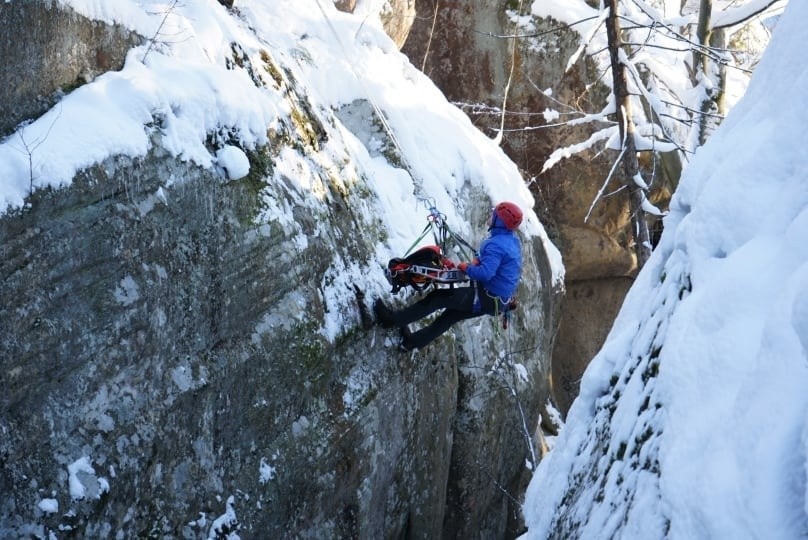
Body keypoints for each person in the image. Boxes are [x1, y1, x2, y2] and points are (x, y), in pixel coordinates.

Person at [374, 201, 524, 351]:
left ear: (500, 221)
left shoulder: (497, 244)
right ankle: (412, 343)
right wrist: (479, 260)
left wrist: (467, 267)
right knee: (450, 317)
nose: (491, 215)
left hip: (487, 296)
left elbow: (485, 273)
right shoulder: (511, 241)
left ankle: (391, 320)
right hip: (496, 301)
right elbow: (501, 265)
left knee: (437, 298)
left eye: (494, 214)